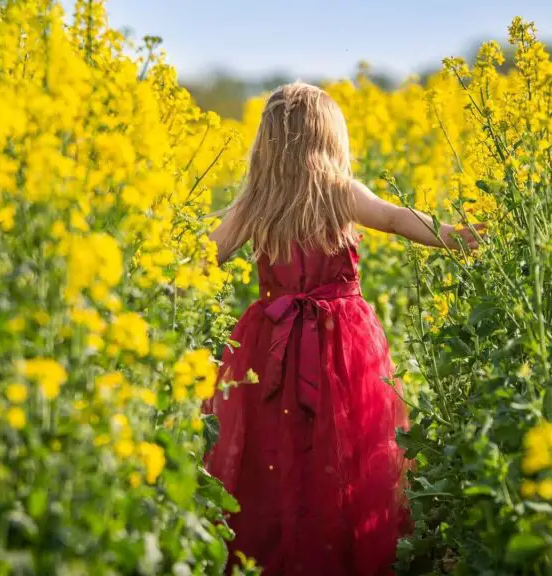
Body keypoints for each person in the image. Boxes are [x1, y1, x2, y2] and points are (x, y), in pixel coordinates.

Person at [203, 81, 485, 576]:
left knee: (273, 450)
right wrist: (455, 238)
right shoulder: (340, 191)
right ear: (330, 138)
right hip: (343, 343)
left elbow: (206, 256)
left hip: (270, 343)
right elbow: (397, 219)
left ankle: (270, 559)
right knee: (345, 451)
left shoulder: (256, 200)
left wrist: (161, 266)